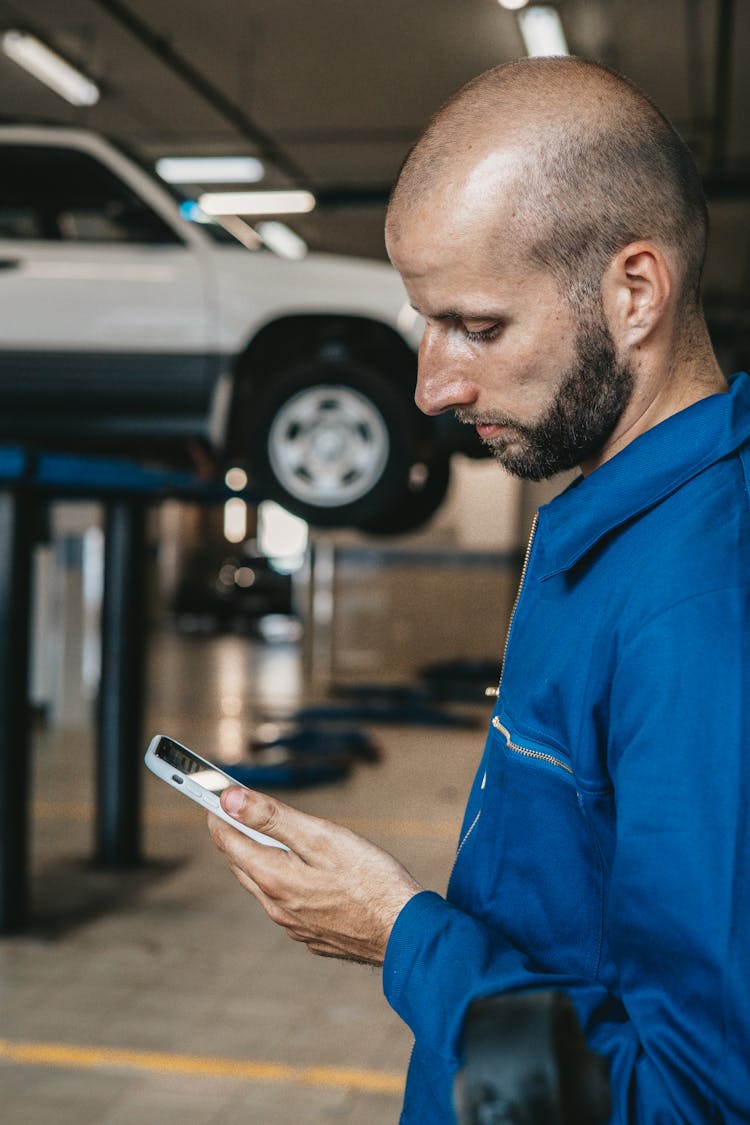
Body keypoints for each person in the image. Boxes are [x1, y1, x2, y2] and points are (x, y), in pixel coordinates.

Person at [208, 56, 750, 1123]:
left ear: (635, 293)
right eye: (425, 321)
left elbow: (701, 1101)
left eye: (479, 326)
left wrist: (401, 933)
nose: (432, 384)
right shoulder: (612, 522)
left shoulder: (699, 613)